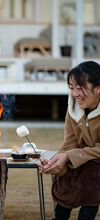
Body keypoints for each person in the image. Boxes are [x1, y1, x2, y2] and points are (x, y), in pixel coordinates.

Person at [40, 61, 100, 220]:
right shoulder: (74, 110)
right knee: (68, 168)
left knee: (91, 170)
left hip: (94, 167)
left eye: (80, 88)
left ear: (98, 88)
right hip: (86, 159)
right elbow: (69, 144)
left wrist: (70, 156)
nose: (75, 94)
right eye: (71, 88)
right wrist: (58, 162)